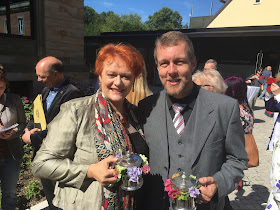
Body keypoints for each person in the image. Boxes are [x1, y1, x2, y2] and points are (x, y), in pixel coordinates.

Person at [138, 31, 248, 210]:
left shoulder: (225, 107)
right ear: (157, 67)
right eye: (164, 63)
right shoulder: (145, 107)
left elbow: (237, 159)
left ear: (193, 63)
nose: (171, 71)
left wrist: (219, 183)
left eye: (179, 62)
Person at [31, 43, 148, 209]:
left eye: (126, 76)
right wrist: (90, 171)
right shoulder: (77, 111)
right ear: (100, 76)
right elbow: (41, 164)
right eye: (111, 74)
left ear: (133, 80)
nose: (118, 82)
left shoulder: (135, 115)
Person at [22, 56, 83, 209]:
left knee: (61, 199)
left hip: (60, 158)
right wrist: (28, 130)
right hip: (45, 154)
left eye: (42, 76)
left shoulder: (72, 94)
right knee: (50, 196)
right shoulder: (46, 90)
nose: (38, 79)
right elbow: (38, 114)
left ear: (56, 74)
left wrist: (32, 138)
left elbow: (61, 128)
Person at [0, 66, 26, 210]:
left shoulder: (14, 100)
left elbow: (23, 123)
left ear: (6, 84)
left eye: (1, 87)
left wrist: (13, 132)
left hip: (11, 154)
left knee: (10, 193)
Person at [224, 76, 254, 194]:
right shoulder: (247, 108)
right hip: (244, 146)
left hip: (234, 148)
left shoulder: (235, 110)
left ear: (231, 91)